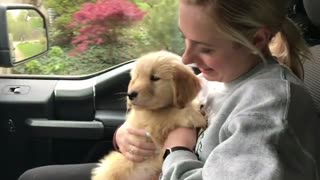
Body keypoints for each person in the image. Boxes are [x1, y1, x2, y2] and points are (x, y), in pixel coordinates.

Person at [19, 0, 320, 179]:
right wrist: (127, 134)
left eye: (205, 48)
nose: (187, 59)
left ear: (256, 40)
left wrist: (175, 150)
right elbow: (163, 113)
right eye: (185, 40)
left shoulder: (269, 112)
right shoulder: (219, 77)